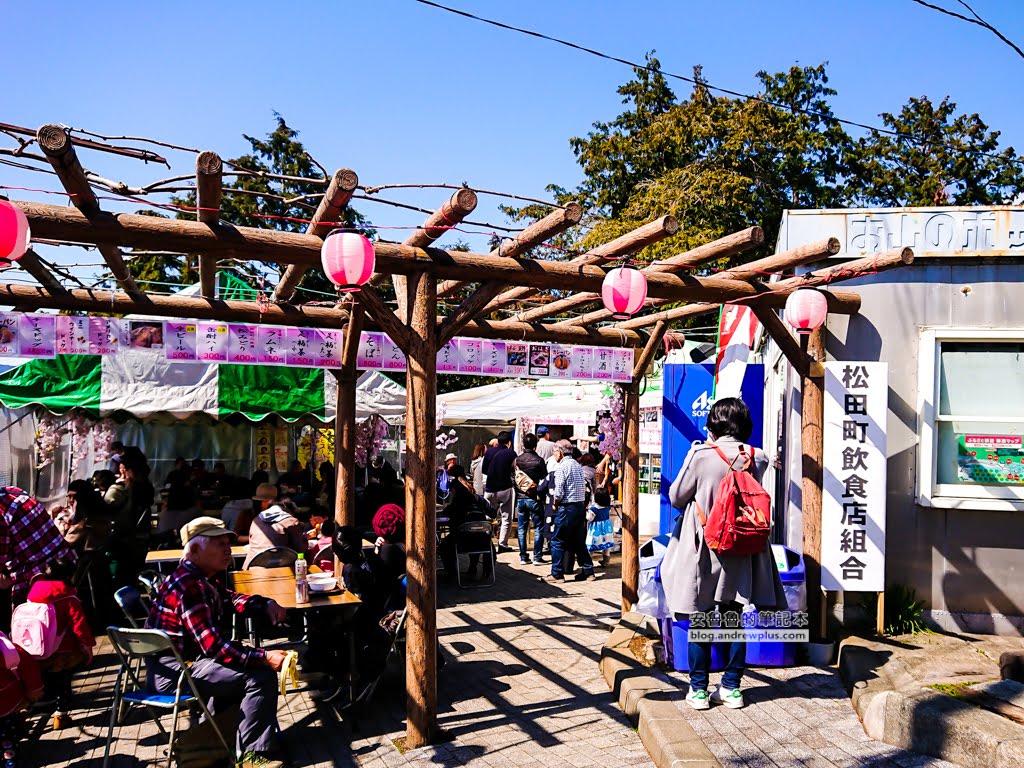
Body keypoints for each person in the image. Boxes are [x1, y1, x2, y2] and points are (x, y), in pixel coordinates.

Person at [661, 397, 787, 711]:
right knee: (733, 617)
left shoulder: (701, 454)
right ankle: (731, 688)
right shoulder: (757, 457)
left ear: (714, 424)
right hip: (743, 549)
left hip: (705, 547)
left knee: (701, 617)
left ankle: (699, 690)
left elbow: (677, 497)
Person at [146, 517, 289, 768]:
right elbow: (215, 648)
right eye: (219, 543)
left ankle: (214, 746)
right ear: (195, 549)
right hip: (175, 673)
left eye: (228, 543)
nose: (228, 549)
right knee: (259, 677)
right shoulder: (190, 586)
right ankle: (253, 757)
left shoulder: (198, 577)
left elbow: (228, 599)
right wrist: (264, 657)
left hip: (175, 666)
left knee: (240, 669)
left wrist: (264, 603)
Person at [22, 559, 96, 725]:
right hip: (63, 649)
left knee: (42, 678)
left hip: (36, 646)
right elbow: (79, 625)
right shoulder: (68, 595)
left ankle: (30, 709)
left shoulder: (34, 591)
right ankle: (60, 715)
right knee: (63, 680)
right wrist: (87, 646)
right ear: (68, 576)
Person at [0, 488, 77, 609]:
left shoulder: (2, 512)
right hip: (65, 562)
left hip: (39, 578)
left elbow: (1, 558)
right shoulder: (14, 492)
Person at [542, 440, 594, 584]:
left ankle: (557, 573)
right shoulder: (578, 466)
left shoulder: (562, 467)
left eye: (554, 451)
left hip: (566, 507)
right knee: (578, 541)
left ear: (560, 452)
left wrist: (555, 504)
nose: (553, 454)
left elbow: (558, 492)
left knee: (557, 540)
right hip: (579, 506)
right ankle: (588, 570)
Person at [439, 465, 495, 581]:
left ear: (454, 491)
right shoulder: (478, 499)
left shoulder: (456, 503)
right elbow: (493, 512)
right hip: (482, 541)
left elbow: (445, 514)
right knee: (474, 534)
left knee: (444, 545)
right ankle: (473, 568)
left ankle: (451, 572)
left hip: (462, 541)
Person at [244, 484, 306, 569]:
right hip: (282, 570)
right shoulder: (291, 521)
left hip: (252, 569)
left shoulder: (256, 520)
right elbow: (300, 550)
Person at [514, 434, 547, 566]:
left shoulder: (517, 460)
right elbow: (544, 478)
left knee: (522, 528)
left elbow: (513, 478)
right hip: (534, 497)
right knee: (538, 527)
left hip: (520, 498)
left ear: (523, 445)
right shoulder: (539, 460)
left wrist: (519, 490)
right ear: (535, 445)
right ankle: (537, 557)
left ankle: (523, 556)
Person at [481, 431, 517, 553]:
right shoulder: (511, 453)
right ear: (509, 442)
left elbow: (484, 469)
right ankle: (502, 544)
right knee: (506, 517)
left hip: (490, 488)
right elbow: (514, 470)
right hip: (505, 487)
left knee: (486, 517)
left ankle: (485, 542)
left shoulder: (490, 451)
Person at [585, 487, 616, 567]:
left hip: (596, 530)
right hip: (607, 529)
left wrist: (585, 512)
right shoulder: (608, 507)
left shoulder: (593, 509)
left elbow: (589, 518)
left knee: (591, 546)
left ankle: (588, 563)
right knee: (606, 546)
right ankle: (606, 561)